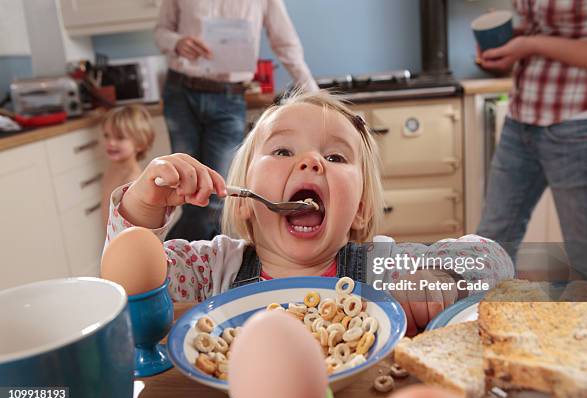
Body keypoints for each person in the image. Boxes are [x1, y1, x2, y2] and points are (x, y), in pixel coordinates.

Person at [105, 90, 513, 336]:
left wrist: (440, 276)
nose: (311, 162)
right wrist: (142, 208)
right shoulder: (211, 269)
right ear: (243, 197)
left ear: (360, 209)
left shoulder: (383, 267)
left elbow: (495, 259)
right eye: (283, 151)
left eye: (335, 156)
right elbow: (127, 289)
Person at [154, 0, 318, 242]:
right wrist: (177, 43)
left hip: (228, 98)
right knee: (187, 191)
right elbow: (161, 32)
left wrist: (314, 96)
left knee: (215, 200)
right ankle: (205, 270)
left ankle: (164, 258)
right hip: (181, 94)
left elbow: (286, 44)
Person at [476, 0, 587, 281]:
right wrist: (514, 40)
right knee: (491, 243)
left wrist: (531, 45)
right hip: (522, 115)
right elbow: (559, 25)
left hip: (582, 121)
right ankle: (483, 322)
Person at [101, 105, 155, 225]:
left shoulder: (134, 181)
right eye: (106, 135)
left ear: (140, 143)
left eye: (120, 138)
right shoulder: (111, 170)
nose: (111, 143)